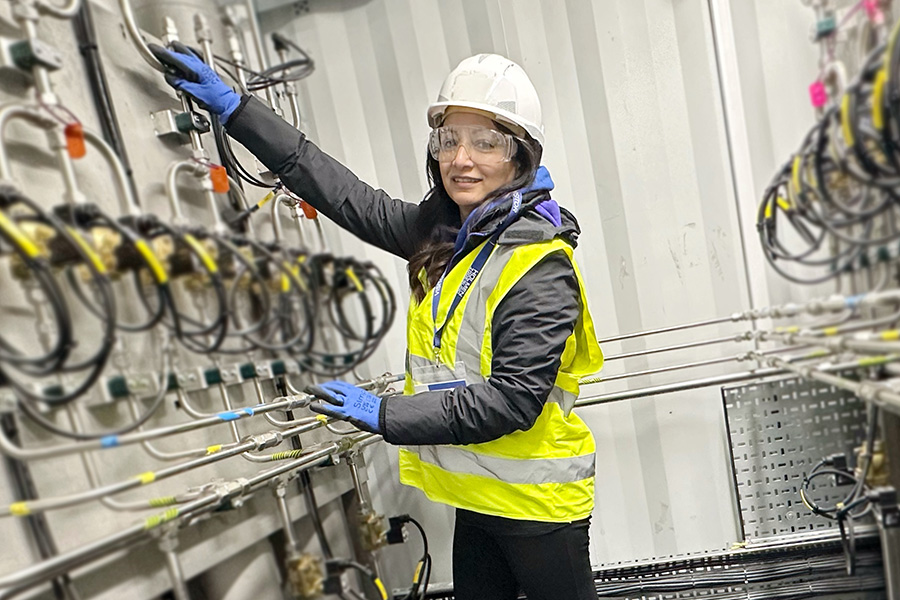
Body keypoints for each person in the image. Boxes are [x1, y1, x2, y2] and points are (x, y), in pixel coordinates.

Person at [149, 43, 604, 600]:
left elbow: (511, 401)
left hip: (538, 508)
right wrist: (237, 111)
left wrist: (385, 413)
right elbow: (342, 193)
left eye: (486, 143)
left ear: (520, 157)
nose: (461, 159)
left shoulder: (540, 266)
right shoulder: (446, 233)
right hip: (480, 499)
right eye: (448, 139)